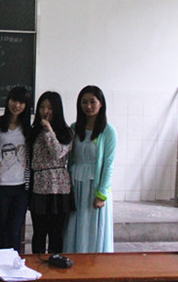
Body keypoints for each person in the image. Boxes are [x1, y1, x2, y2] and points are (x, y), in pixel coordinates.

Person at [63, 85, 117, 253]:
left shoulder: (108, 132)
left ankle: (94, 264)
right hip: (75, 184)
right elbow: (69, 159)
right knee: (74, 224)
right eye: (84, 102)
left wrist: (101, 194)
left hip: (95, 187)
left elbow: (108, 164)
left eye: (93, 102)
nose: (88, 106)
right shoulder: (74, 128)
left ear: (101, 104)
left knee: (92, 229)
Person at [27, 91, 73, 254]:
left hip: (58, 187)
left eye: (50, 108)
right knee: (39, 232)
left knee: (56, 233)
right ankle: (37, 263)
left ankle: (56, 262)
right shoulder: (34, 131)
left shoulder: (66, 132)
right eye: (42, 107)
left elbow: (57, 153)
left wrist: (48, 130)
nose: (45, 111)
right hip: (39, 186)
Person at [0, 86, 32, 252]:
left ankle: (14, 263)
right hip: (1, 186)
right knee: (1, 230)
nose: (17, 105)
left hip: (21, 187)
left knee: (15, 231)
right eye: (14, 100)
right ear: (8, 101)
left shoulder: (28, 129)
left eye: (21, 102)